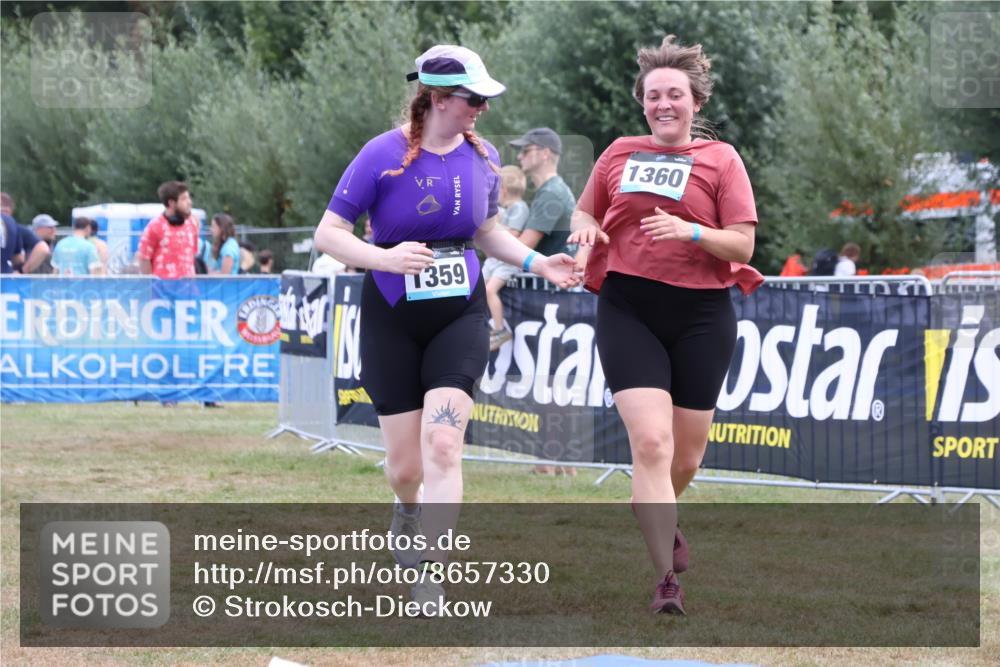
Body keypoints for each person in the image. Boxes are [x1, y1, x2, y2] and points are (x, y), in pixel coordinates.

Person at [313, 44, 579, 614]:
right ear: (436, 98)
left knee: (443, 443)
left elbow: (486, 232)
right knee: (405, 467)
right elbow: (329, 234)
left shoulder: (481, 158)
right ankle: (405, 507)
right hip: (390, 312)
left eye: (485, 98)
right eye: (471, 98)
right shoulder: (381, 154)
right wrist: (383, 258)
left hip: (459, 314)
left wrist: (537, 263)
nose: (481, 107)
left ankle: (431, 577)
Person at [568, 35, 763, 615]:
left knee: (685, 458)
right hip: (629, 306)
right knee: (650, 444)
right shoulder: (619, 153)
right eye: (654, 96)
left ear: (695, 102)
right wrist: (584, 229)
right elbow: (586, 208)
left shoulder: (722, 160)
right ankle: (665, 584)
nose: (664, 104)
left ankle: (660, 511)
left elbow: (745, 243)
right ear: (644, 103)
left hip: (703, 313)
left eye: (675, 94)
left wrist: (692, 232)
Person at [482, 165, 529, 350]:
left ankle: (500, 329)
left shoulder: (520, 208)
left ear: (503, 189)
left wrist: (495, 229)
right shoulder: (505, 209)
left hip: (507, 263)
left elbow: (513, 234)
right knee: (476, 288)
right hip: (495, 261)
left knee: (489, 290)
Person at [510, 127, 577, 259]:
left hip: (548, 279)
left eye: (525, 151)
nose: (519, 156)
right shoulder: (553, 189)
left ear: (545, 153)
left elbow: (522, 247)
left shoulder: (551, 193)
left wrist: (486, 236)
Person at [137, 181, 200, 279]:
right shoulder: (155, 226)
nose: (189, 202)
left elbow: (193, 253)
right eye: (184, 199)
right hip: (162, 291)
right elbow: (144, 258)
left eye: (189, 198)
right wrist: (150, 285)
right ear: (171, 203)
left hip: (189, 290)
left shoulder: (192, 224)